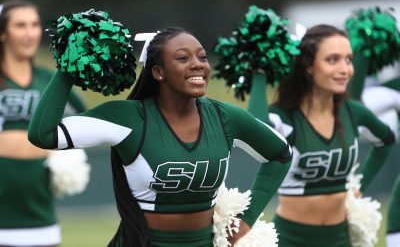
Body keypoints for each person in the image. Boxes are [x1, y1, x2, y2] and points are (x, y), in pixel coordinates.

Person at [28, 27, 293, 247]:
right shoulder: (129, 118)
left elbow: (280, 153)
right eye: (183, 58)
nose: (198, 65)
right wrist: (67, 67)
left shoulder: (225, 117)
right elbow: (44, 134)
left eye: (202, 57)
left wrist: (246, 220)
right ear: (158, 72)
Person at [246, 24, 395, 247]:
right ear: (308, 66)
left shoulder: (352, 112)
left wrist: (359, 187)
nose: (345, 69)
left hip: (340, 239)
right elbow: (253, 130)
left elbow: (386, 141)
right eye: (333, 60)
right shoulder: (284, 118)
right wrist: (258, 74)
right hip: (290, 240)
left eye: (348, 60)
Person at [0, 0, 86, 247]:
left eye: (35, 25)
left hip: (40, 217)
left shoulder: (51, 81)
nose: (30, 33)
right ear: (3, 32)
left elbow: (84, 122)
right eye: (20, 25)